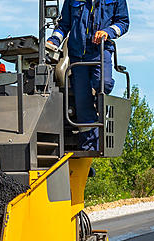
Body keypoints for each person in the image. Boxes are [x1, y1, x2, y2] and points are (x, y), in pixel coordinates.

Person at [47, 0, 130, 151]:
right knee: (83, 104)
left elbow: (123, 22)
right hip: (78, 55)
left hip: (101, 51)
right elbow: (64, 25)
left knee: (104, 83)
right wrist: (53, 42)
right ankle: (89, 148)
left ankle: (99, 109)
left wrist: (107, 32)